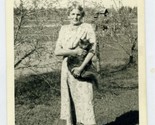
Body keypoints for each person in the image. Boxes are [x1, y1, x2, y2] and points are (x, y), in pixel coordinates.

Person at [54, 2, 97, 125]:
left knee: (85, 99)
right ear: (68, 15)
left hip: (83, 67)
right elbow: (57, 51)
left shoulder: (87, 27)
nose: (75, 17)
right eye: (72, 14)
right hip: (66, 68)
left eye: (78, 14)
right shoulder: (63, 29)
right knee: (68, 100)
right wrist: (74, 52)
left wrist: (80, 67)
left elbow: (92, 50)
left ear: (82, 15)